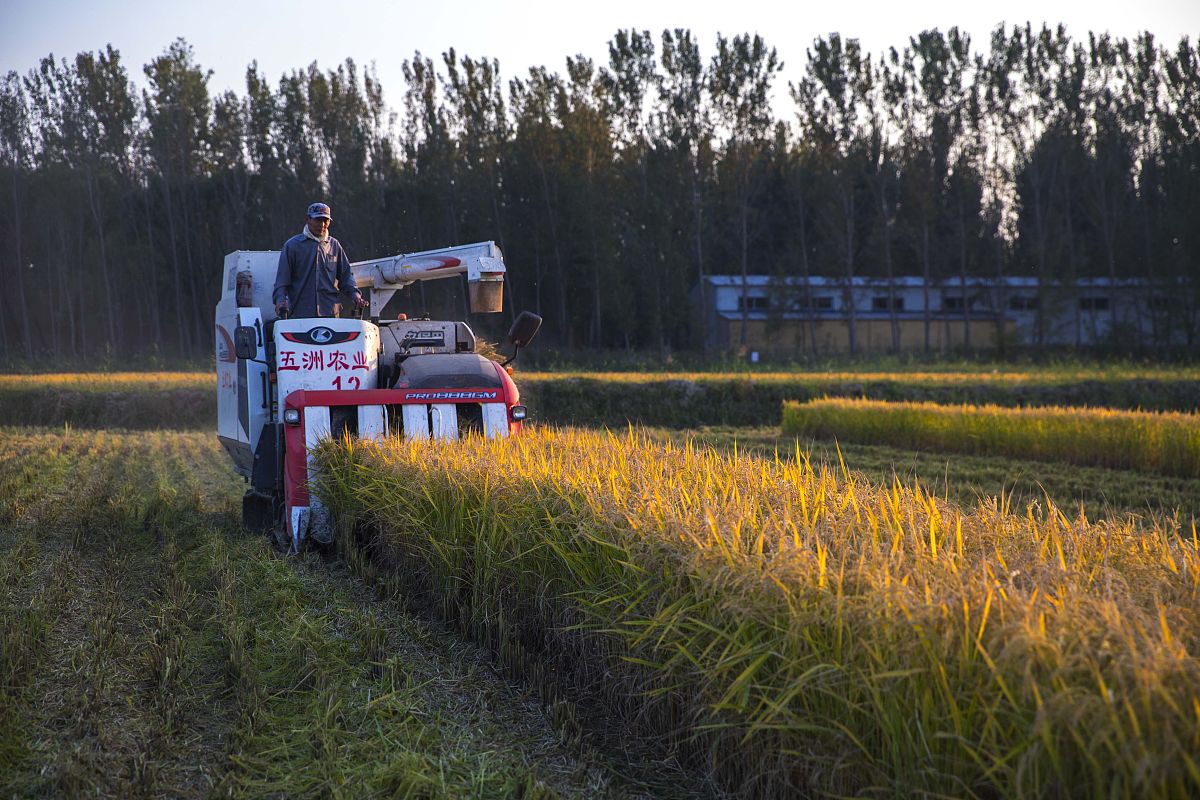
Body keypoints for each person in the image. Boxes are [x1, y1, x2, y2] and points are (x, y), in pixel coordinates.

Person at [273, 202, 369, 318]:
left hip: (330, 313)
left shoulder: (334, 245)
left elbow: (346, 277)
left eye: (326, 221)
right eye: (318, 220)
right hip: (300, 314)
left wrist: (356, 296)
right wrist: (280, 301)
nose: (322, 225)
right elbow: (282, 282)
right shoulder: (292, 246)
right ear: (307, 219)